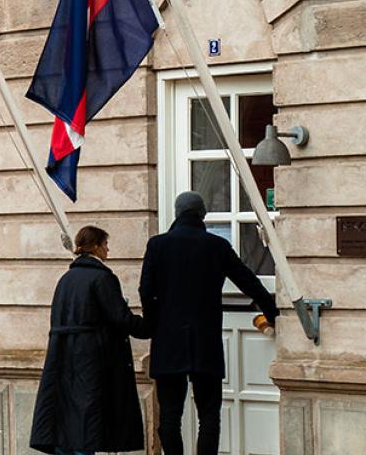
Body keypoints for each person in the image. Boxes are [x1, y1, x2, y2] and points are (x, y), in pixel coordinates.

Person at [141, 191, 280, 455]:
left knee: (170, 415)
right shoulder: (216, 245)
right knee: (209, 415)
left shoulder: (157, 245)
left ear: (177, 212)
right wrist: (271, 311)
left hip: (168, 339)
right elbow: (248, 281)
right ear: (202, 214)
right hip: (205, 338)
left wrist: (152, 323)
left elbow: (146, 291)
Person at [30, 225, 149, 455]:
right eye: (105, 244)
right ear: (95, 246)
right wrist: (149, 326)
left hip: (64, 357)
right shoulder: (102, 278)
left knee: (67, 422)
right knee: (88, 421)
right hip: (92, 359)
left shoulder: (65, 279)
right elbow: (120, 318)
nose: (108, 249)